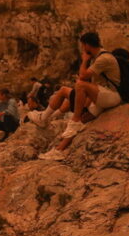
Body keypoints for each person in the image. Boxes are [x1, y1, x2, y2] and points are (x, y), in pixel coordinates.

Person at [38, 32, 122, 160]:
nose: (82, 49)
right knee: (83, 121)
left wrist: (84, 60)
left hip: (112, 96)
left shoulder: (103, 58)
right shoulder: (97, 58)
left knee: (80, 85)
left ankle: (74, 119)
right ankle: (59, 150)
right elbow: (95, 85)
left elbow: (83, 77)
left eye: (83, 45)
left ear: (87, 45)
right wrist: (86, 105)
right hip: (103, 97)